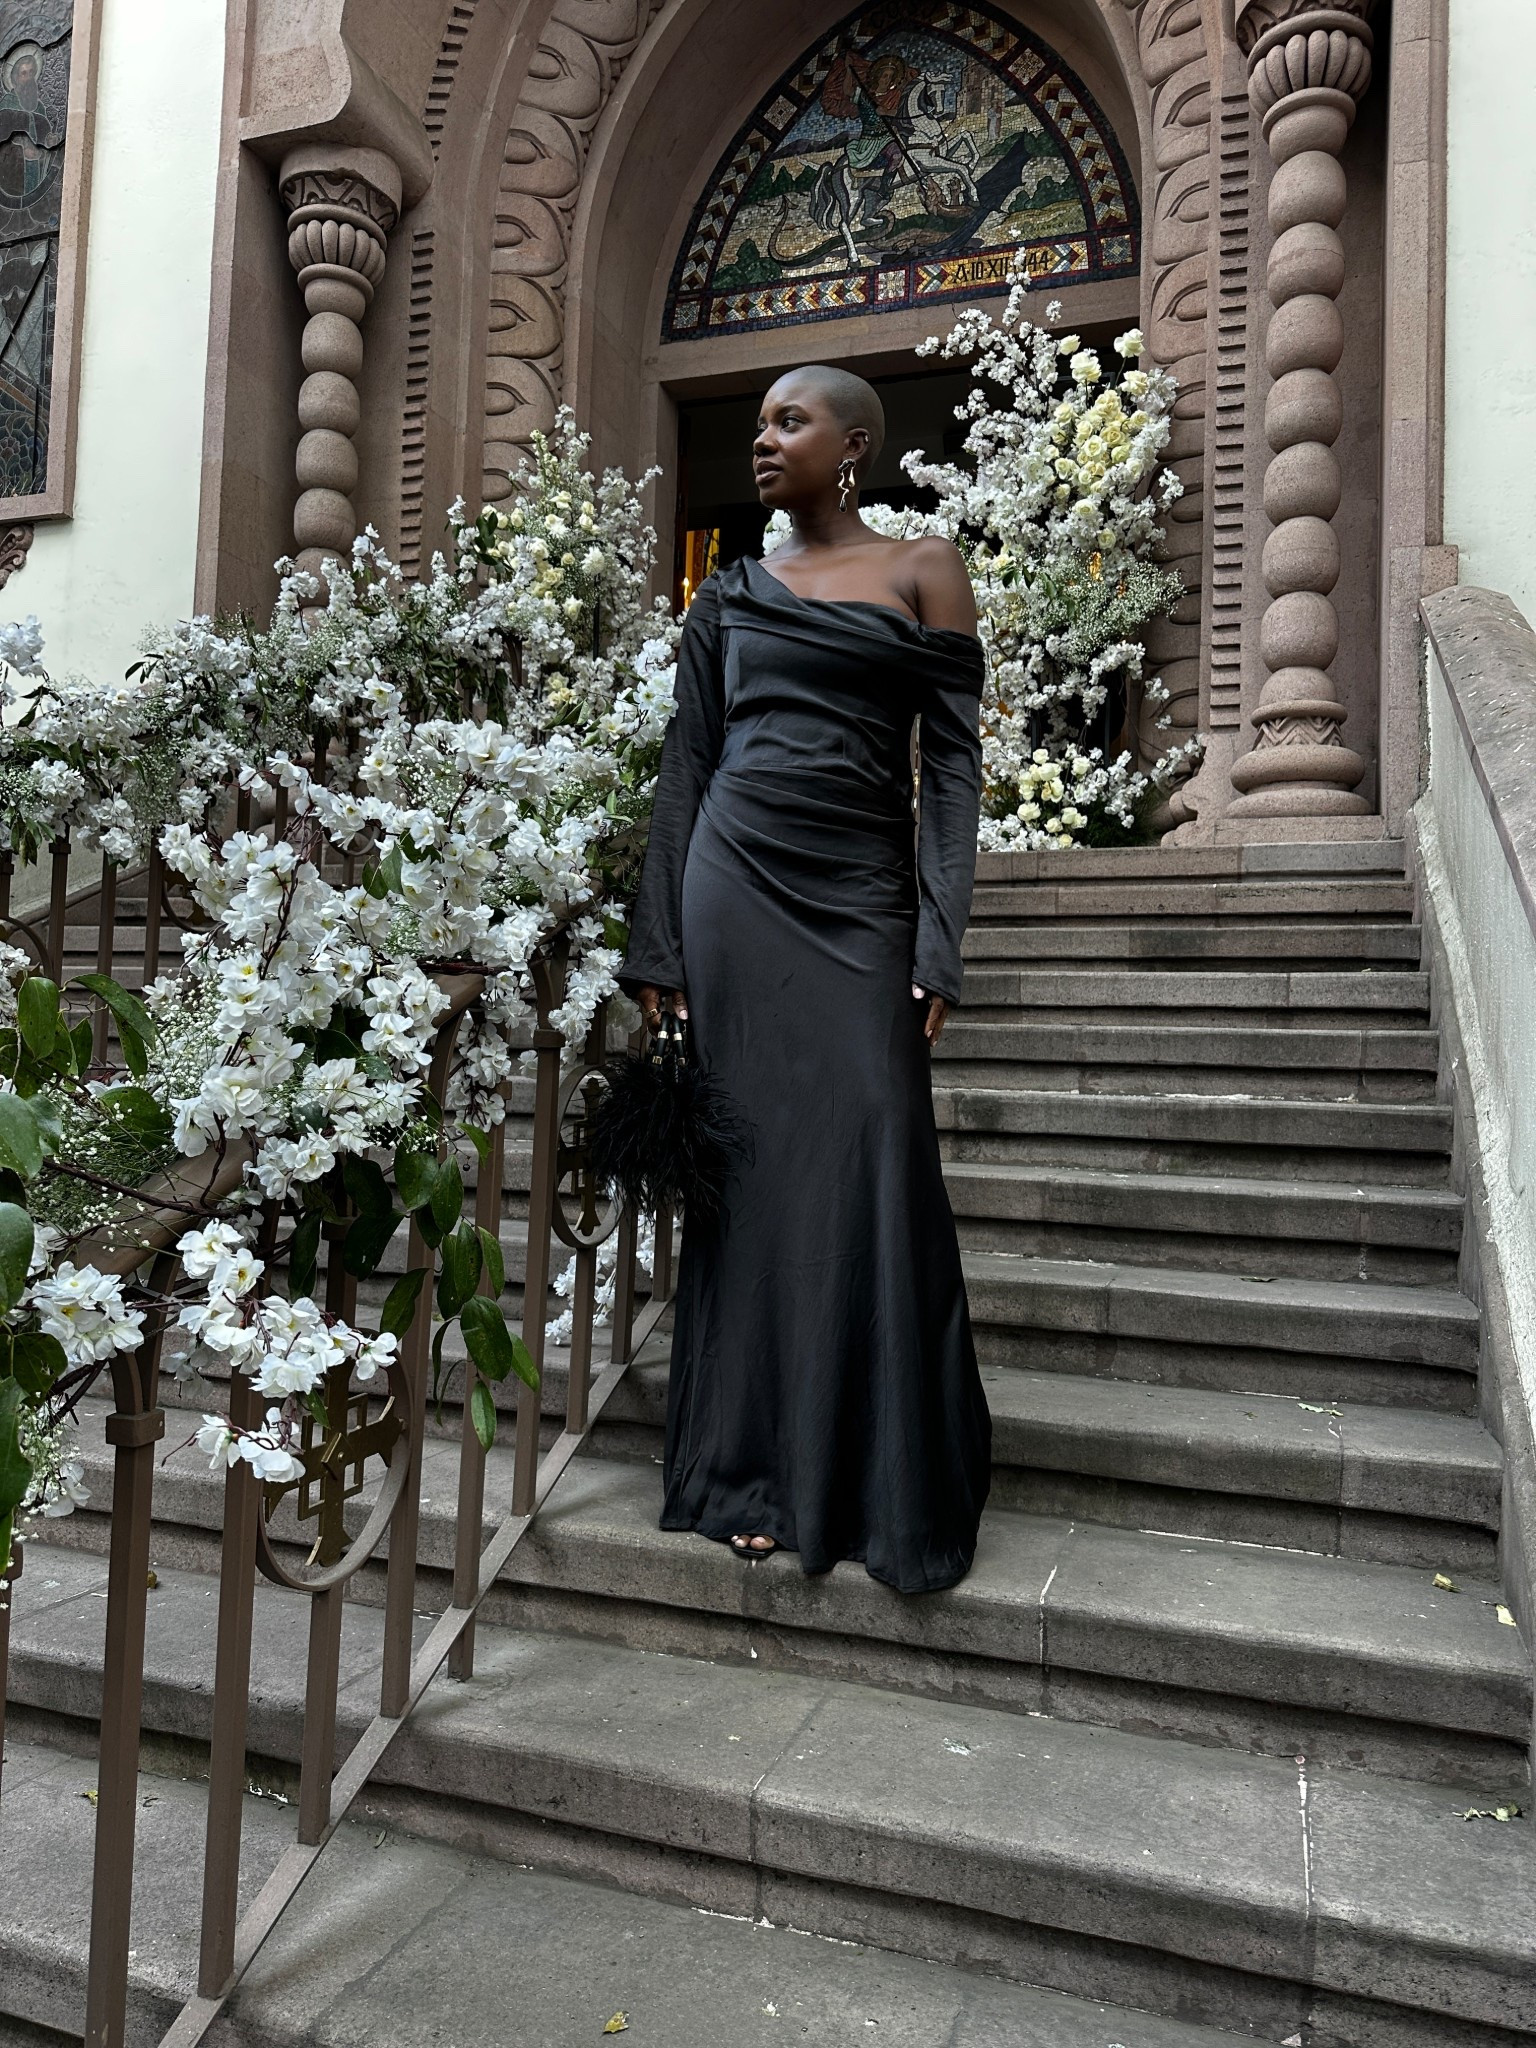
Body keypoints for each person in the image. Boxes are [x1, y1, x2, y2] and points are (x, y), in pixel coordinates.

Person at [614, 364, 991, 1594]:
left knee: (879, 1149)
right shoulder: (726, 594)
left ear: (856, 445)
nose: (766, 439)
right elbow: (688, 765)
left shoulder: (925, 568)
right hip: (736, 883)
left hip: (859, 899)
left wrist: (942, 935)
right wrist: (656, 939)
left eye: (792, 421)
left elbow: (954, 774)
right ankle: (754, 1470)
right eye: (761, 422)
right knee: (756, 1177)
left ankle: (877, 1473)